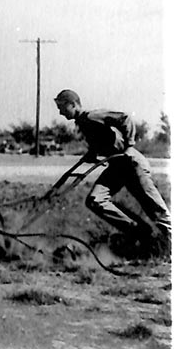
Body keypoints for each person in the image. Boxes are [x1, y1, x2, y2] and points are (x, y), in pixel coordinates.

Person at [53, 89, 171, 247]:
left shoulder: (91, 116)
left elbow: (125, 118)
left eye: (62, 107)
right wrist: (93, 154)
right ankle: (141, 234)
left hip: (131, 163)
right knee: (95, 200)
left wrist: (129, 146)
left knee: (154, 208)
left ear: (73, 104)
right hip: (117, 167)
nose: (60, 112)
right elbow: (103, 140)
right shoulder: (83, 123)